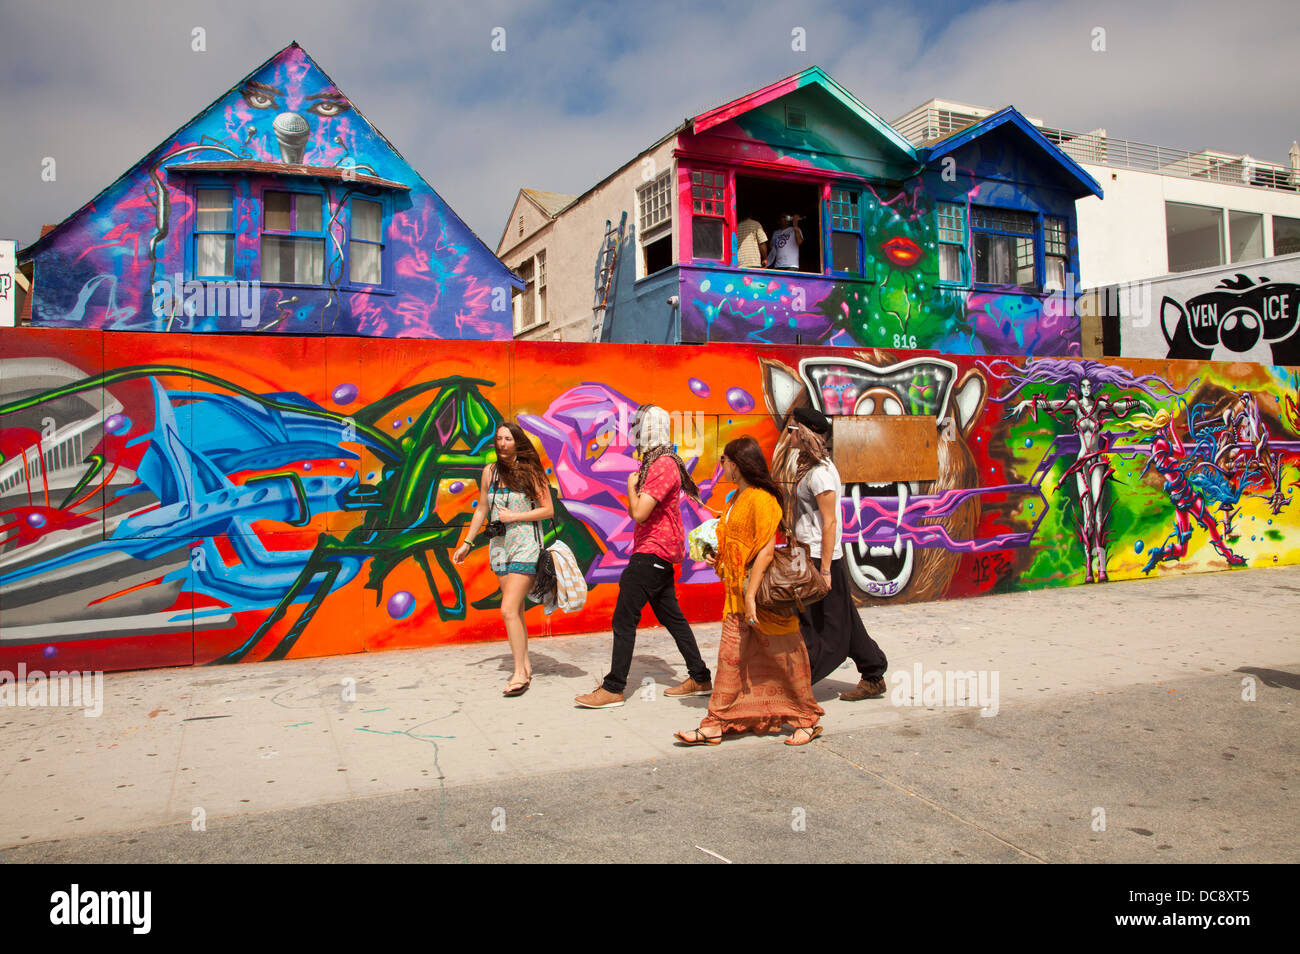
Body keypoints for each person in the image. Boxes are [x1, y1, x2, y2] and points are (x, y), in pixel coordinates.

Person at [674, 436, 824, 746]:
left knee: (786, 657)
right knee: (730, 659)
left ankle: (806, 719)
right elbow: (734, 544)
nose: (722, 467)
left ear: (737, 463)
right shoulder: (734, 499)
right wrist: (718, 558)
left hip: (761, 597)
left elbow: (766, 552)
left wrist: (752, 595)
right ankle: (715, 723)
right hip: (735, 597)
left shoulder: (761, 499)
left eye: (725, 461)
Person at [575, 406, 713, 708]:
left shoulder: (662, 464)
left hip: (652, 551)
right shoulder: (657, 462)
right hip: (656, 551)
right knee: (672, 618)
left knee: (624, 618)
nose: (634, 433)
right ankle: (700, 676)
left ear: (651, 428)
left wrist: (630, 488)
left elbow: (639, 512)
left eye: (639, 426)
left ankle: (613, 688)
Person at [783, 407, 889, 700]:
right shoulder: (808, 468)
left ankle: (802, 682)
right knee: (843, 618)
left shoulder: (821, 474)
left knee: (824, 624)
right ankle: (873, 672)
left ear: (804, 434)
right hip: (808, 553)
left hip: (820, 557)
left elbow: (830, 523)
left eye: (792, 430)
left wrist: (826, 569)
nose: (788, 435)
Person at [453, 422, 554, 697]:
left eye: (507, 439)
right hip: (500, 547)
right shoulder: (490, 472)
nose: (502, 443)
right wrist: (467, 543)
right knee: (516, 610)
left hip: (526, 545)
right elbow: (482, 509)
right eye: (498, 438)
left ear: (517, 443)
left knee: (508, 609)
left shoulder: (531, 472)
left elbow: (547, 510)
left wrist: (514, 517)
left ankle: (519, 672)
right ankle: (525, 664)